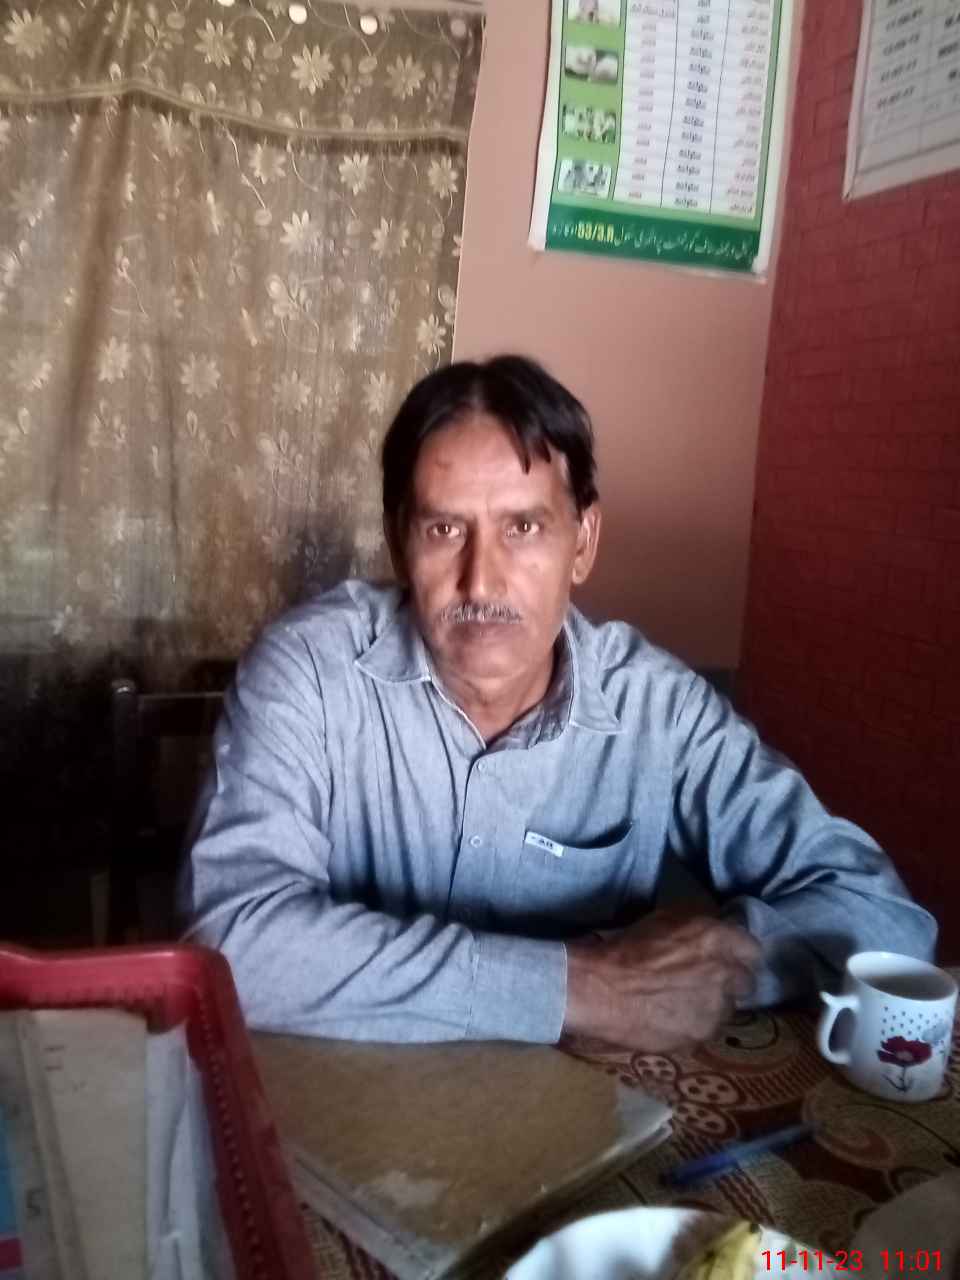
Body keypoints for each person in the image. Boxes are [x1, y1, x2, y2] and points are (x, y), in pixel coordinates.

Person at [179, 355, 937, 1051]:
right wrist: (580, 987)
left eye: (524, 527)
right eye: (444, 529)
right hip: (346, 1102)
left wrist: (714, 966)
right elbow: (230, 939)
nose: (482, 580)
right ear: (399, 544)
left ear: (583, 543)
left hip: (593, 1118)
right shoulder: (309, 672)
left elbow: (884, 918)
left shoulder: (657, 710)